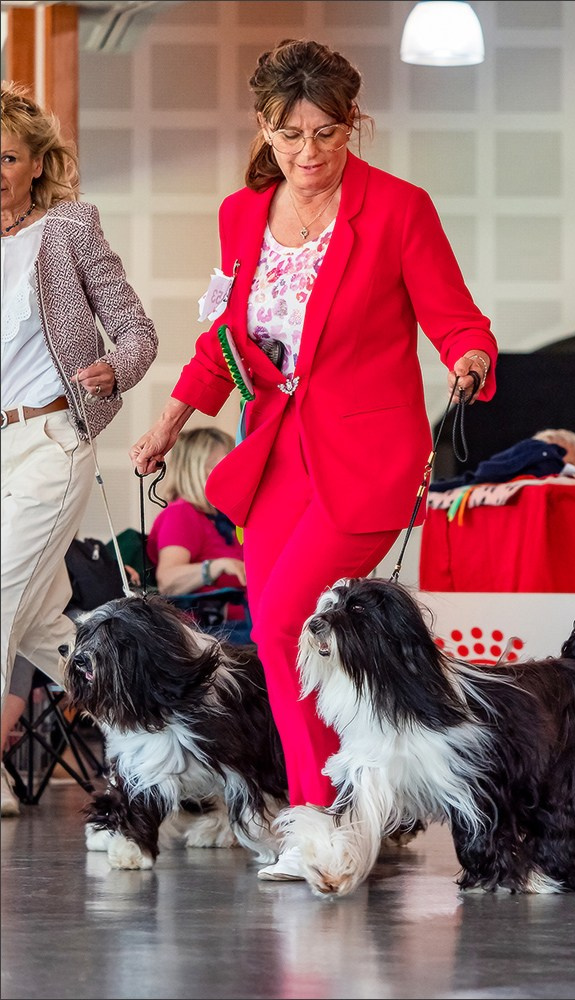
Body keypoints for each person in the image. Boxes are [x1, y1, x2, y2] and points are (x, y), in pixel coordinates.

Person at [129, 38, 497, 879]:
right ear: (264, 126)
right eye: (291, 135)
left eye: (327, 134)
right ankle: (323, 822)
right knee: (278, 637)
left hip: (368, 454)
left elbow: (455, 316)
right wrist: (171, 421)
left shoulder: (398, 208)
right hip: (275, 455)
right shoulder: (240, 214)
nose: (309, 153)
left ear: (351, 124)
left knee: (289, 619)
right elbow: (225, 340)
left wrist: (470, 356)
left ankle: (333, 821)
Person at [1, 80, 158, 817]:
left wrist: (116, 368)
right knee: (42, 627)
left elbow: (135, 328)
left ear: (36, 162)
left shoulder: (68, 228)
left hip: (52, 438)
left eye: (8, 157)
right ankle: (157, 726)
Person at [146, 426, 252, 645]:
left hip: (237, 625)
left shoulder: (221, 518)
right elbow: (168, 580)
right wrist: (216, 567)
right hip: (209, 633)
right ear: (197, 471)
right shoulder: (181, 514)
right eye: (223, 465)